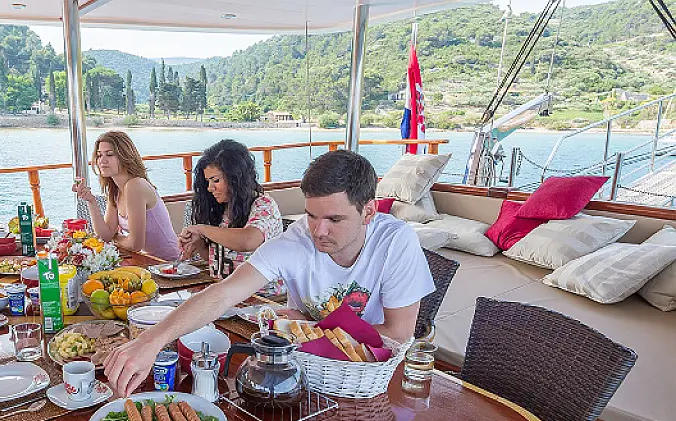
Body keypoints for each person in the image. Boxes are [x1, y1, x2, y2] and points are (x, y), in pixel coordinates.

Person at [105, 150, 435, 397]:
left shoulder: (395, 242)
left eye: (334, 220)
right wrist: (151, 341)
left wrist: (310, 326)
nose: (319, 231)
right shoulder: (298, 241)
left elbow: (397, 335)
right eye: (311, 215)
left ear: (368, 212)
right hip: (303, 373)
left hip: (369, 383)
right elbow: (223, 294)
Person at [179, 139, 284, 286]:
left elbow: (248, 241)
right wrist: (199, 246)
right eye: (208, 182)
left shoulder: (265, 206)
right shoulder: (222, 208)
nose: (209, 188)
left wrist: (201, 229)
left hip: (261, 295)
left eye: (216, 180)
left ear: (236, 177)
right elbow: (221, 260)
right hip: (225, 291)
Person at [71, 131, 181, 261]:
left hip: (169, 264)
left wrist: (116, 237)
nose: (102, 161)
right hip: (146, 261)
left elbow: (135, 244)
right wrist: (91, 201)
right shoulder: (116, 190)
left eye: (110, 154)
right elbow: (105, 235)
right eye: (99, 155)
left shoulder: (135, 186)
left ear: (125, 156)